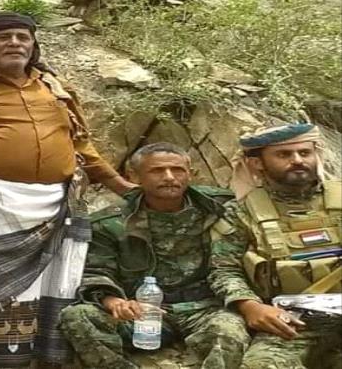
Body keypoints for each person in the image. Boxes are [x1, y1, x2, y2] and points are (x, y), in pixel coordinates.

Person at [0, 12, 135, 368]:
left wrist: (122, 186)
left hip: (55, 205)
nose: (15, 43)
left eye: (23, 37)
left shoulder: (55, 89)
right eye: (3, 37)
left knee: (53, 289)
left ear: (33, 45)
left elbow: (81, 146)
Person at [60, 143, 250, 369]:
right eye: (157, 171)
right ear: (134, 177)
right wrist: (115, 302)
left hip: (206, 308)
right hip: (144, 312)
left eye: (177, 170)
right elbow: (96, 271)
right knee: (77, 316)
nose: (169, 177)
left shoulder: (219, 206)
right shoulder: (109, 223)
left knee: (229, 333)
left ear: (190, 173)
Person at [208, 123, 341, 369]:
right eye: (284, 154)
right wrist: (250, 307)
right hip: (291, 321)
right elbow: (224, 270)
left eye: (305, 152)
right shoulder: (241, 212)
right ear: (257, 163)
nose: (297, 160)